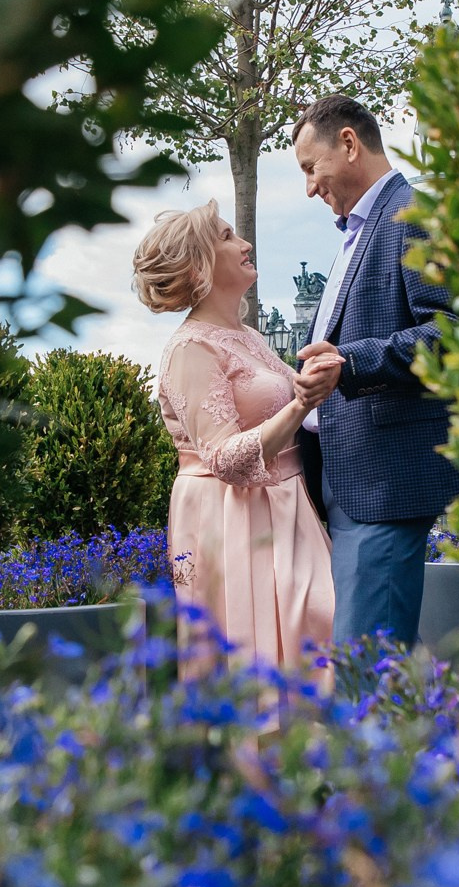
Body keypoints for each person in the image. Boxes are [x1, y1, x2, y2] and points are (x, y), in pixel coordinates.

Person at [132, 200, 338, 678]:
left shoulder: (247, 335)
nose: (243, 243)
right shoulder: (190, 348)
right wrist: (302, 402)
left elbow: (302, 402)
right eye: (227, 236)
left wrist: (325, 371)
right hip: (228, 516)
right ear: (200, 264)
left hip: (286, 506)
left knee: (321, 629)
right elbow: (224, 457)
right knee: (263, 652)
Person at [290, 94, 459, 648]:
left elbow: (455, 336)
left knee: (364, 676)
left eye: (310, 168)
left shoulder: (414, 217)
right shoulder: (357, 231)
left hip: (384, 485)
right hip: (347, 482)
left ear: (348, 144)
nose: (310, 188)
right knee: (369, 669)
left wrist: (351, 362)